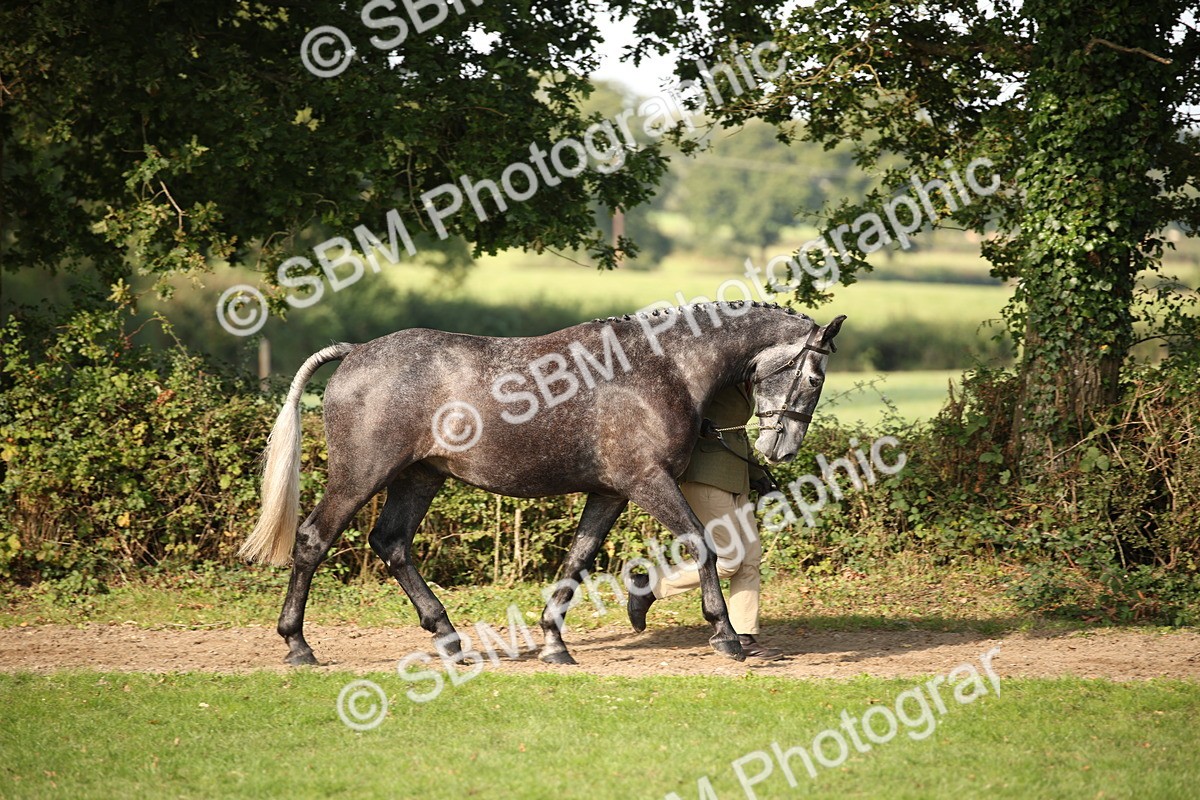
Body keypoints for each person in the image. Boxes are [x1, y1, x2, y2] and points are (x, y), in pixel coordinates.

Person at [627, 382, 784, 660]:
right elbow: (676, 412)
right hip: (705, 474)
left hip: (737, 477)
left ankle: (744, 635)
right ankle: (649, 586)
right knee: (729, 558)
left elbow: (736, 434)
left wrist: (757, 475)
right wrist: (699, 426)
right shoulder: (714, 379)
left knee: (750, 557)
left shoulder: (744, 380)